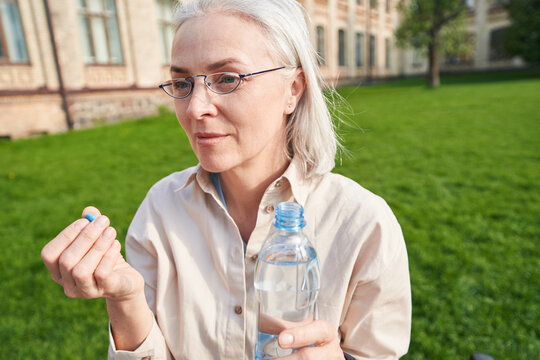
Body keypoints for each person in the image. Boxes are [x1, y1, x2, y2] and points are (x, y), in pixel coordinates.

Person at [41, 0, 411, 359]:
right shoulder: (161, 210)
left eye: (228, 78)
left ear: (293, 89)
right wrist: (125, 299)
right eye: (182, 82)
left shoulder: (363, 226)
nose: (196, 107)